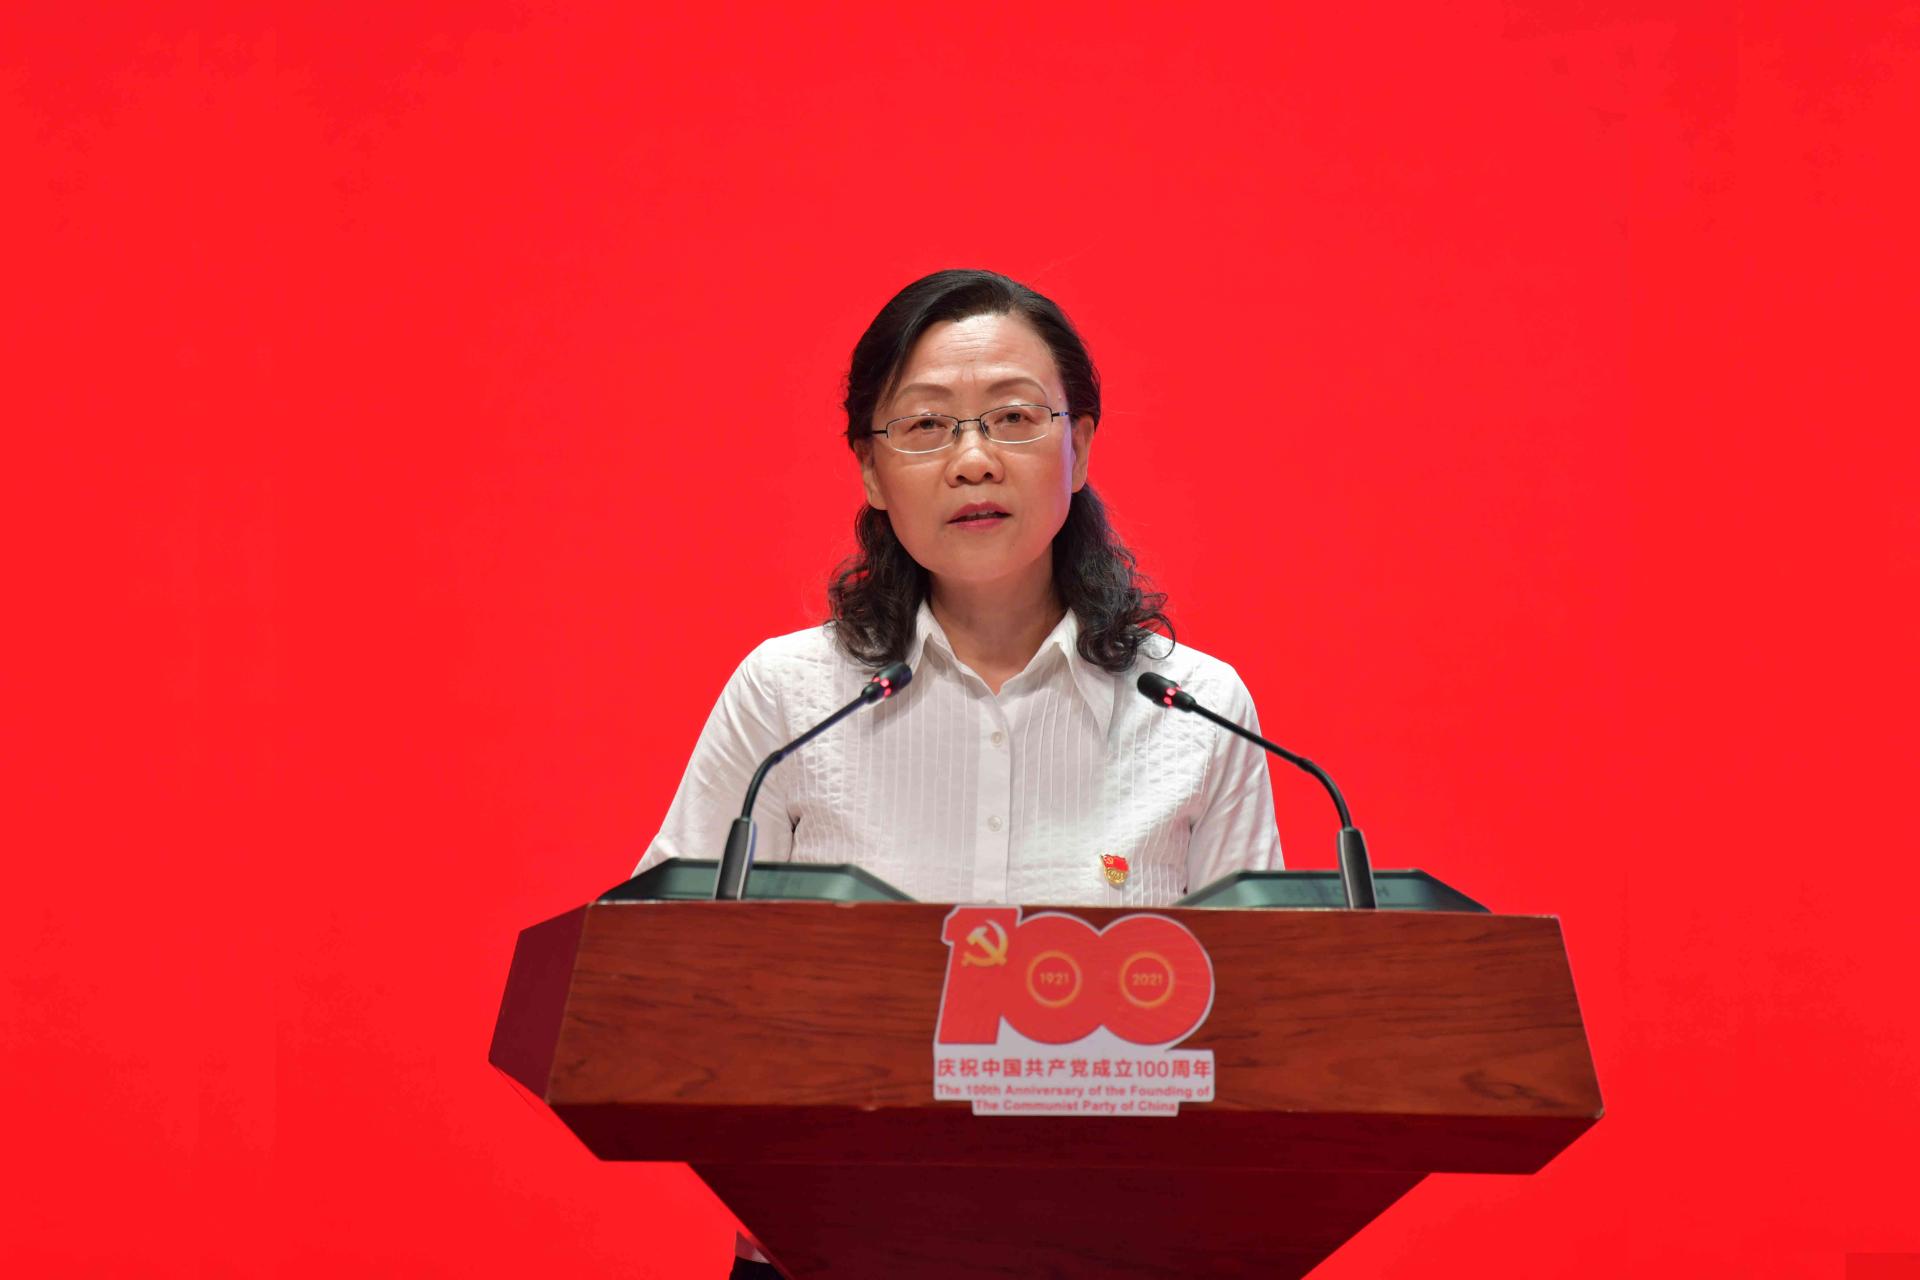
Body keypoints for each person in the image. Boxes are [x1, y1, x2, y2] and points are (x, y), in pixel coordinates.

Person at [632, 269, 1285, 1276]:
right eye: (927, 426)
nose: (973, 460)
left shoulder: (1193, 707)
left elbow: (1263, 1027)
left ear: (1080, 446)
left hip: (1113, 1250)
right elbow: (655, 968)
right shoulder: (789, 697)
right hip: (826, 1247)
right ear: (869, 467)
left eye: (1013, 418)